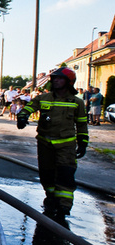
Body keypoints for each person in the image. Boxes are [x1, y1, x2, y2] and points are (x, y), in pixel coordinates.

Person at [17, 67, 89, 215]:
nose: (55, 80)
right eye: (54, 78)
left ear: (69, 82)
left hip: (66, 145)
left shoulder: (76, 102)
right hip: (45, 143)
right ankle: (51, 197)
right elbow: (29, 108)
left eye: (60, 78)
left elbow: (82, 124)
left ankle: (64, 206)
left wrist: (83, 142)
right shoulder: (43, 98)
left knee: (65, 174)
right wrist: (22, 116)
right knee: (46, 174)